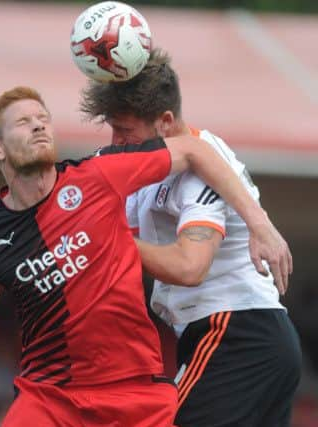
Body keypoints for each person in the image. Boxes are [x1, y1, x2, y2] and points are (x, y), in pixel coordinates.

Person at [0, 85, 292, 427]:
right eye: (24, 122)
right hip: (50, 398)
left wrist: (260, 224)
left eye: (43, 118)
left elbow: (194, 149)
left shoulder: (98, 175)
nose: (39, 125)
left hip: (136, 392)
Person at [80, 49, 302, 427]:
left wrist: (109, 240)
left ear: (165, 121)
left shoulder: (204, 171)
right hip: (230, 339)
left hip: (237, 334)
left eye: (126, 131)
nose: (116, 141)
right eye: (112, 129)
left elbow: (189, 266)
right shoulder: (150, 170)